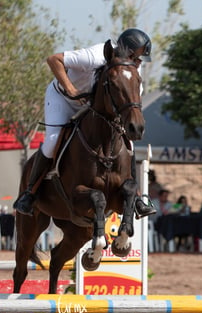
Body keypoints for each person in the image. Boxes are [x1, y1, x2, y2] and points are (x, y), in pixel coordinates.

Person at [14, 28, 155, 219]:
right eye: (138, 58)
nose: (139, 64)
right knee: (52, 141)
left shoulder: (132, 70)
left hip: (91, 104)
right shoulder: (95, 56)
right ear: (128, 52)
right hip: (63, 98)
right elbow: (53, 60)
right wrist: (71, 90)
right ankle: (30, 193)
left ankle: (137, 197)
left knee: (127, 141)